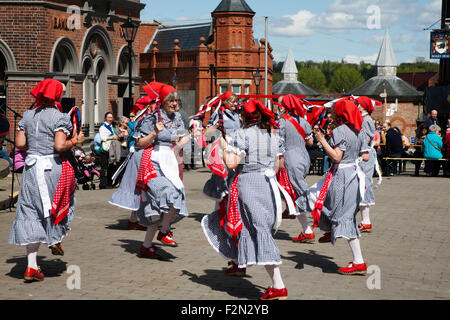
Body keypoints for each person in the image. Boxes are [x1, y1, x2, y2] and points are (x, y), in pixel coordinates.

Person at [202, 99, 289, 300]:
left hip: (248, 185)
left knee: (257, 230)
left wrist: (224, 147)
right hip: (268, 185)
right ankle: (240, 263)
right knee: (252, 228)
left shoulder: (243, 135)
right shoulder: (271, 135)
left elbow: (231, 163)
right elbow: (280, 164)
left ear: (244, 117)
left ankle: (279, 286)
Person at [8, 79, 84, 282]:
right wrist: (75, 141)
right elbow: (60, 146)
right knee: (54, 206)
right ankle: (54, 238)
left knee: (30, 211)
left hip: (31, 170)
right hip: (52, 169)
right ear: (57, 95)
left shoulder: (28, 115)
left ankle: (31, 266)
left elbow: (20, 143)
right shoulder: (59, 117)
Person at [313, 98, 370, 275]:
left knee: (341, 214)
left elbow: (336, 157)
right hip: (354, 173)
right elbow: (365, 155)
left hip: (342, 175)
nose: (330, 115)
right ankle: (331, 230)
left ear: (340, 114)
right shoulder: (359, 130)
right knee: (332, 204)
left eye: (333, 113)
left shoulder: (339, 131)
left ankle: (358, 261)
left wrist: (322, 140)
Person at [276, 94, 315, 243]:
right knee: (295, 193)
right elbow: (310, 142)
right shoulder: (304, 121)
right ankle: (306, 229)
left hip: (290, 158)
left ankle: (321, 214)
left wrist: (280, 159)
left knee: (300, 193)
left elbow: (279, 143)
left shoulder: (282, 122)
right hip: (304, 157)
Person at [355, 96, 378, 233]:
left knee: (364, 185)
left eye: (358, 104)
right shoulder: (364, 119)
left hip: (366, 155)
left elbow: (367, 136)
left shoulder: (366, 120)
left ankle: (366, 221)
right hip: (364, 154)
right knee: (361, 186)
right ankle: (364, 220)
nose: (356, 106)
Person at [98, 112, 124, 189]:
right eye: (109, 117)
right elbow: (102, 138)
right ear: (105, 118)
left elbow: (115, 136)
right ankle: (102, 184)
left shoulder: (112, 126)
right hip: (105, 149)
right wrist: (112, 137)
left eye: (111, 117)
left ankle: (110, 183)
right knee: (104, 167)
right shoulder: (103, 127)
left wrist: (119, 136)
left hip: (112, 149)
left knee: (112, 166)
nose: (110, 119)